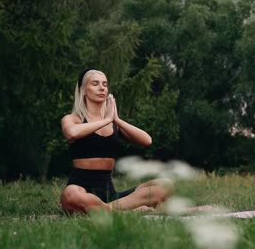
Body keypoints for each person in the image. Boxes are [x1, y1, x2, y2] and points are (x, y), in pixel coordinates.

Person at [60, 69, 173, 214]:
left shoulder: (113, 123)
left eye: (105, 84)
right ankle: (124, 210)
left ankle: (108, 209)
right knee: (70, 194)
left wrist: (116, 120)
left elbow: (147, 140)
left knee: (165, 185)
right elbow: (71, 133)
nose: (102, 88)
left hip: (110, 195)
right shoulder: (73, 119)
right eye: (95, 84)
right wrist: (106, 119)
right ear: (83, 90)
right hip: (81, 189)